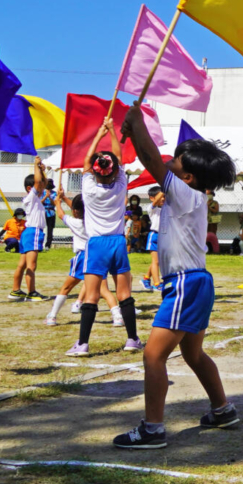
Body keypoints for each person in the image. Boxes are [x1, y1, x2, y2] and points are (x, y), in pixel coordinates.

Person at [113, 103, 241, 448]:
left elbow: (152, 159)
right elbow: (150, 157)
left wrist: (137, 120)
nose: (168, 163)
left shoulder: (186, 194)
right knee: (193, 355)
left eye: (176, 164)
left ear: (188, 178)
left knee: (153, 355)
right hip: (194, 282)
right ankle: (222, 410)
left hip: (186, 284)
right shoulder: (189, 194)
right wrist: (133, 131)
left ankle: (152, 429)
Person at [66, 118, 142, 357]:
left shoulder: (88, 188)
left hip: (96, 244)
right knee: (124, 295)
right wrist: (111, 132)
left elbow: (87, 163)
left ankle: (83, 344)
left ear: (96, 172)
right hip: (118, 242)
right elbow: (117, 160)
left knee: (90, 295)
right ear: (114, 171)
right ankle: (132, 339)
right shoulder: (121, 186)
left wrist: (99, 134)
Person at [47, 191, 121, 326]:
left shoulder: (75, 222)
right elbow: (77, 209)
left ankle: (52, 316)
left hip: (82, 257)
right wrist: (64, 198)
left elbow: (61, 214)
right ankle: (117, 316)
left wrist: (58, 203)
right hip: (98, 256)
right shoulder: (96, 222)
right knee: (104, 290)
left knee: (66, 288)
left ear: (75, 211)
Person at [9, 158, 48, 302]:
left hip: (28, 233)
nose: (42, 186)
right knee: (31, 265)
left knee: (22, 264)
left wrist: (42, 170)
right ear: (29, 188)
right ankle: (32, 293)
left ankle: (15, 291)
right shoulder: (32, 196)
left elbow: (41, 182)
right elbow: (38, 183)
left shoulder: (34, 199)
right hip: (33, 232)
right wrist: (35, 166)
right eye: (38, 185)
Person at [43, 178, 57, 250]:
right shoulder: (41, 193)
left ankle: (48, 245)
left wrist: (50, 197)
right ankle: (40, 242)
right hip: (43, 211)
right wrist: (45, 196)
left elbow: (54, 203)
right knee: (41, 227)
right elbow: (40, 202)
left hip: (51, 212)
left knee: (50, 229)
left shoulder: (54, 193)